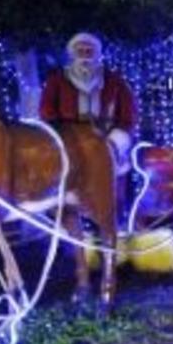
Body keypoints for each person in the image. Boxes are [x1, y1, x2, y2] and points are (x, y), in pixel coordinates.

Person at [39, 32, 137, 222]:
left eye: (89, 51)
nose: (85, 55)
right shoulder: (57, 80)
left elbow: (128, 113)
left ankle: (113, 212)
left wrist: (119, 131)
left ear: (97, 53)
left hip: (106, 134)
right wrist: (64, 130)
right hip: (70, 136)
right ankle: (68, 212)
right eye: (80, 51)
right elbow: (46, 110)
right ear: (72, 54)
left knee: (113, 159)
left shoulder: (114, 81)